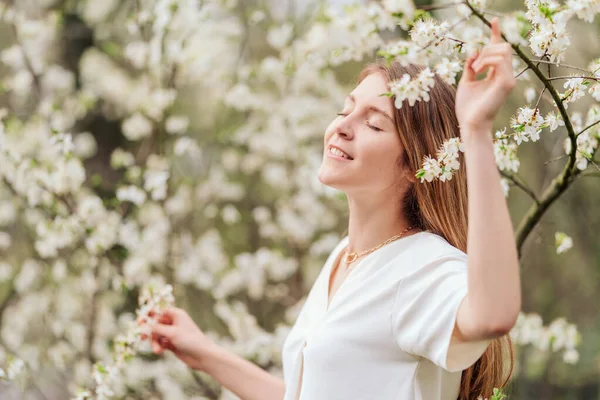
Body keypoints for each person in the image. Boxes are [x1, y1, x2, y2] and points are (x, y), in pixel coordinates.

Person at [142, 17, 520, 400]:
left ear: (414, 165)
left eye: (374, 125)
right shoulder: (344, 257)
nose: (342, 127)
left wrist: (475, 131)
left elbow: (493, 317)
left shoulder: (421, 270)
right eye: (345, 110)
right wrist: (203, 353)